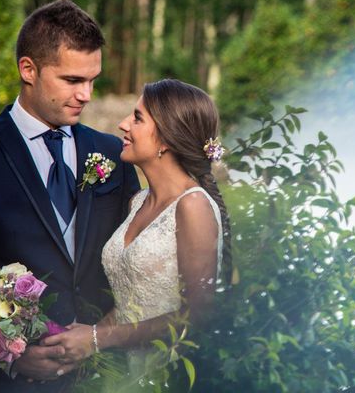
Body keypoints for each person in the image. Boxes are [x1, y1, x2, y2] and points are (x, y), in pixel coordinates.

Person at [0, 0, 141, 392]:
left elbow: (130, 263)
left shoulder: (112, 153)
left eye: (93, 80)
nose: (86, 95)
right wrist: (9, 353)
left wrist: (100, 338)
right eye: (72, 80)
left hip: (99, 378)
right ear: (28, 70)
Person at [41, 79, 232, 379]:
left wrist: (98, 339)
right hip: (121, 372)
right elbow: (132, 299)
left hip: (166, 372)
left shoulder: (192, 206)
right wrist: (83, 338)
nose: (122, 125)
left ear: (166, 139)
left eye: (137, 118)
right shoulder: (138, 202)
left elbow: (198, 315)